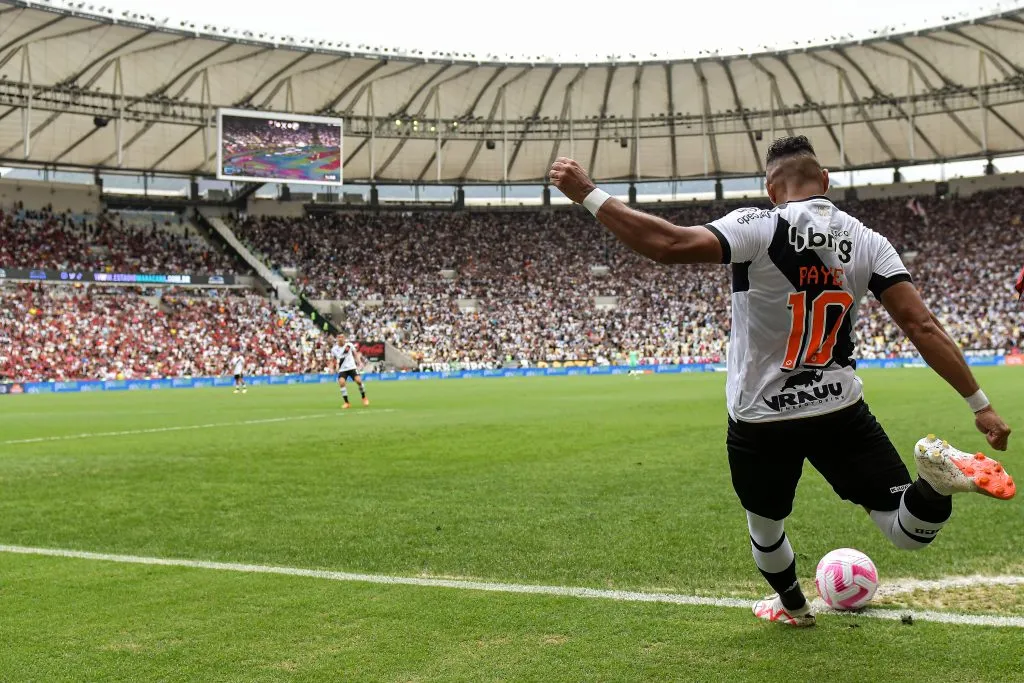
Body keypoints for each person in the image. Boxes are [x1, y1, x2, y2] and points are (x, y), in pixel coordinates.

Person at [548, 135, 1014, 628]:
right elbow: (922, 327)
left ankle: (793, 608)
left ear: (771, 188)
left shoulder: (759, 224)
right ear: (826, 182)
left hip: (762, 418)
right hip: (839, 409)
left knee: (766, 529)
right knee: (907, 531)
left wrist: (588, 194)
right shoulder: (869, 240)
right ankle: (934, 484)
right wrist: (979, 404)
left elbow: (668, 244)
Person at [331, 334, 369, 409]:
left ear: (344, 338)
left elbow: (355, 354)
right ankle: (346, 403)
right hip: (342, 369)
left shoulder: (349, 345)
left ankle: (364, 398)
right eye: (339, 337)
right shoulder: (334, 349)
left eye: (342, 337)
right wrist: (332, 368)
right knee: (341, 383)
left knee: (358, 381)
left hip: (352, 367)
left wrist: (359, 362)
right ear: (337, 338)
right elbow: (333, 359)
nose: (340, 338)